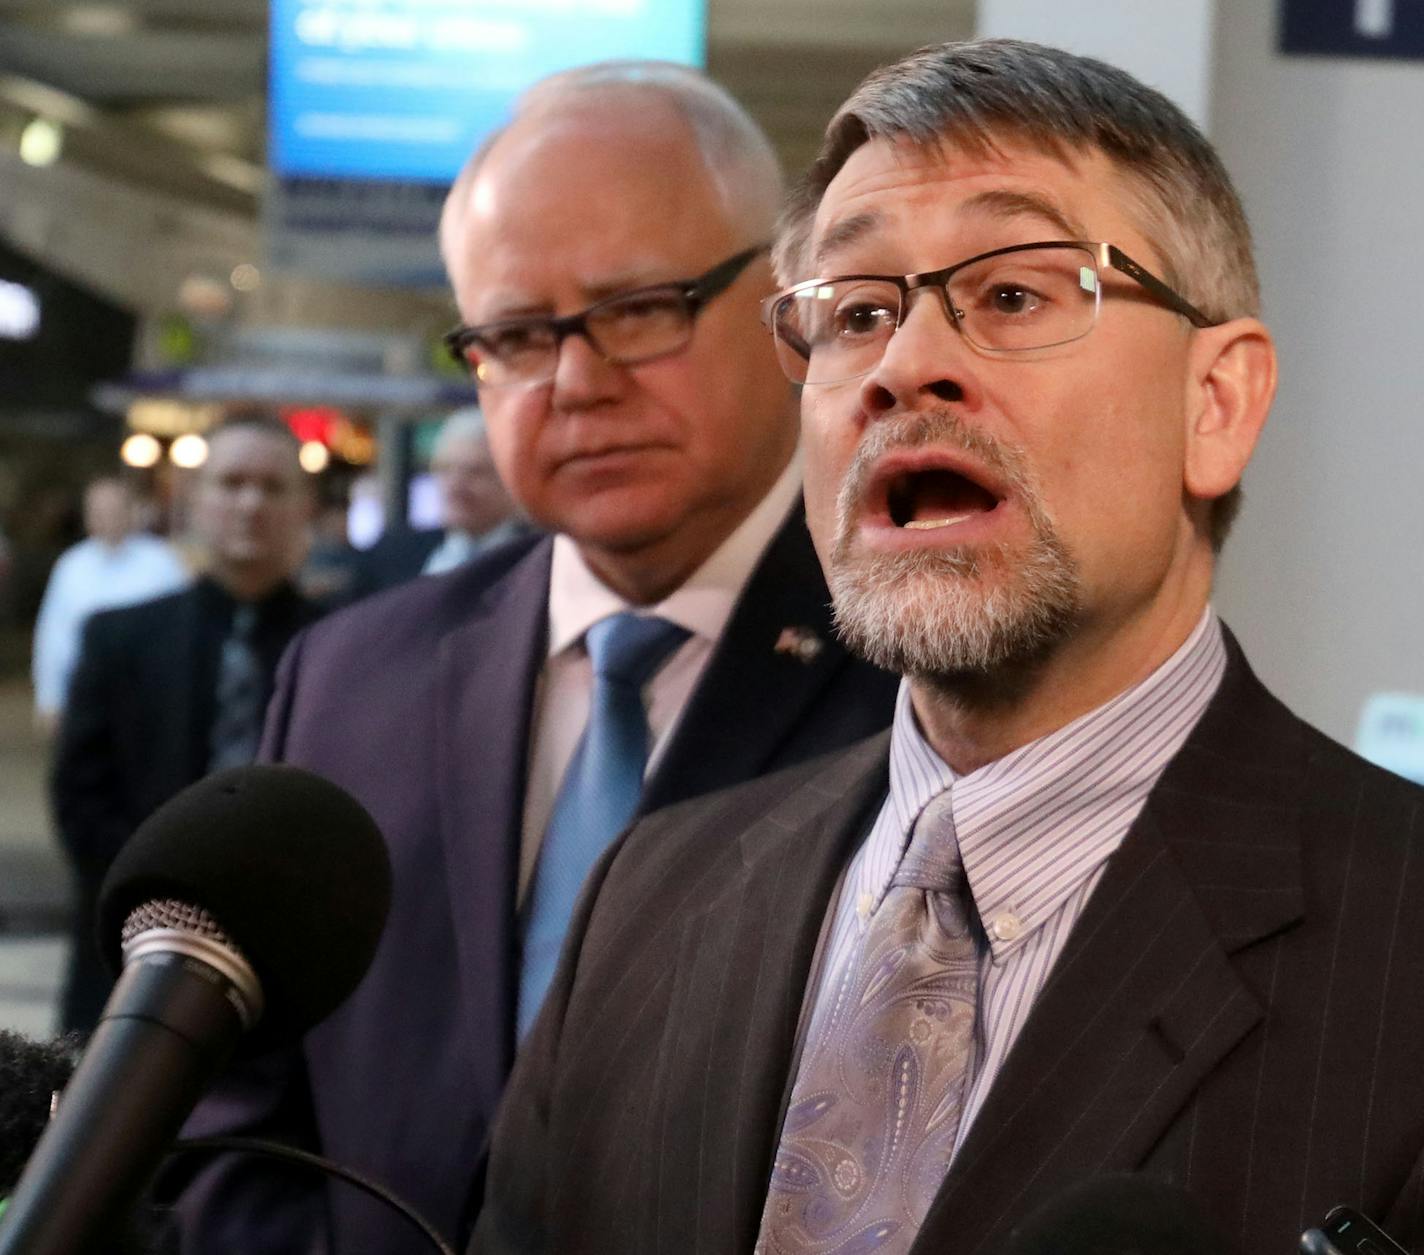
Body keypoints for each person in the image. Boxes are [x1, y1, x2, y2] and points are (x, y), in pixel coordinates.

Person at [470, 39, 1424, 1255]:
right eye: (857, 312)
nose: (904, 366)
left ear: (1215, 403)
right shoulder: (650, 896)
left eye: (1014, 294)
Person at [178, 62, 897, 1255]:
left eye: (637, 309)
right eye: (516, 334)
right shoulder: (352, 682)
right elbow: (241, 1127)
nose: (577, 382)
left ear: (790, 305)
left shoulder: (931, 679)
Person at [50, 416, 320, 1034]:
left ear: (303, 504)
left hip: (297, 974)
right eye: (231, 482)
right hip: (131, 957)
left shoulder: (350, 646)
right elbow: (80, 798)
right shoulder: (120, 636)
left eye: (272, 487)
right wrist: (164, 909)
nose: (251, 503)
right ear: (193, 497)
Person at [31, 476, 188, 734]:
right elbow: (53, 636)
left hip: (151, 694)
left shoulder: (163, 563)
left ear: (131, 511)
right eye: (98, 512)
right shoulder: (71, 566)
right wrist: (49, 698)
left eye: (114, 510)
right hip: (88, 694)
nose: (107, 519)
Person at [354, 408, 526, 596]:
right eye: (445, 469)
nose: (456, 485)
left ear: (509, 483)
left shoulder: (536, 560)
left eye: (474, 472)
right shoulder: (393, 553)